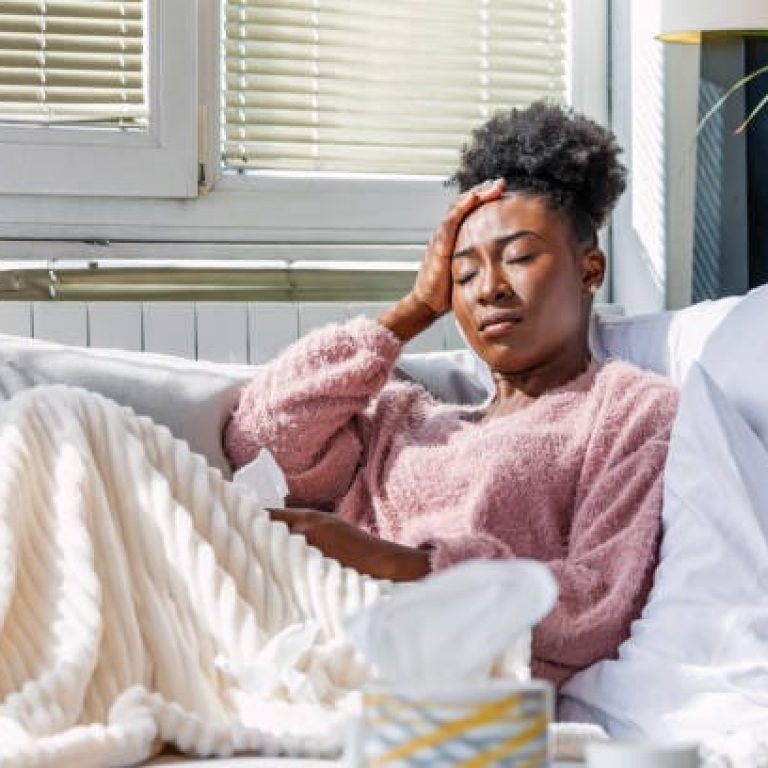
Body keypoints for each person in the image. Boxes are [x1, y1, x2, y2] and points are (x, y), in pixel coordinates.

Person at [224, 101, 680, 686]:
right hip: (294, 621)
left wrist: (403, 565)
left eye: (518, 257)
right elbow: (256, 441)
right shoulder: (400, 414)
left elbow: (599, 600)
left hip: (399, 662)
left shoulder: (628, 408)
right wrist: (412, 310)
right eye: (462, 275)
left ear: (589, 270)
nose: (490, 288)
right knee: (84, 426)